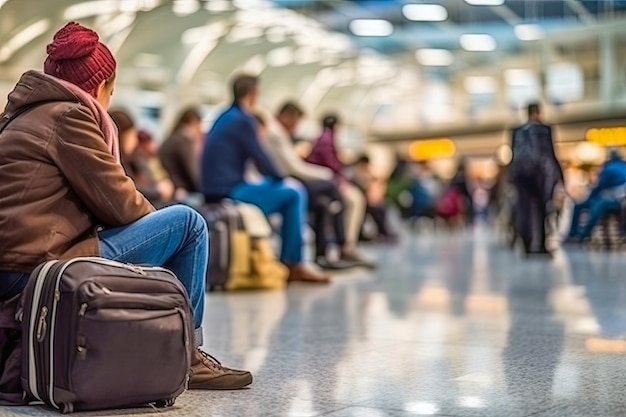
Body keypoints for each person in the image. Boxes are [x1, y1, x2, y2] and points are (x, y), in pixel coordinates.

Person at [0, 22, 252, 391]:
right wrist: (160, 236)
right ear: (100, 87)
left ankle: (159, 341)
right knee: (187, 224)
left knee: (171, 224)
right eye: (111, 92)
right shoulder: (70, 116)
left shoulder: (20, 117)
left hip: (14, 266)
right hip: (40, 264)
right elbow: (121, 204)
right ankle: (187, 355)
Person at [200, 75, 330, 283]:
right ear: (252, 94)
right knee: (294, 192)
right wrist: (280, 177)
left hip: (215, 189)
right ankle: (293, 262)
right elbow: (262, 158)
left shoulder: (223, 116)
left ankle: (290, 259)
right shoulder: (243, 120)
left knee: (286, 190)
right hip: (230, 191)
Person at [264, 102, 366, 269]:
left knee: (323, 204)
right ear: (287, 116)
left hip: (289, 179)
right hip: (284, 180)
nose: (296, 127)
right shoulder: (276, 133)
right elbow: (294, 167)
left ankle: (323, 254)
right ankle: (340, 246)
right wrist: (328, 176)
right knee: (328, 191)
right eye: (296, 121)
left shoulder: (283, 133)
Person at [305, 114, 375, 268]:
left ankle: (347, 244)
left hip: (326, 182)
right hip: (324, 185)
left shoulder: (323, 139)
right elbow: (332, 166)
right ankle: (346, 246)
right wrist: (343, 181)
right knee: (354, 200)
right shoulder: (325, 140)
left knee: (354, 198)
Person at [509, 103, 563, 255]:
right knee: (542, 207)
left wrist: (510, 177)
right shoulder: (544, 130)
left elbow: (512, 155)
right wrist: (560, 176)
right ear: (538, 112)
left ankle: (526, 244)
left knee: (523, 208)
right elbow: (551, 153)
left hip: (520, 174)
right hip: (540, 173)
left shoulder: (517, 131)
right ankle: (541, 244)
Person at [109, 109, 174, 207]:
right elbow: (132, 190)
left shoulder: (133, 158)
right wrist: (158, 191)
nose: (135, 141)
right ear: (121, 136)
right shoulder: (118, 162)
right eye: (131, 135)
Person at [566, 149, 626, 243]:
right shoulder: (623, 166)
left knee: (591, 207)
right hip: (621, 201)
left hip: (613, 201)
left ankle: (579, 234)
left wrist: (590, 199)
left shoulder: (608, 168)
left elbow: (598, 187)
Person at [159, 107, 203, 202]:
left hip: (171, 188)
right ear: (194, 123)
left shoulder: (173, 138)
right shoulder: (183, 141)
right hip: (178, 191)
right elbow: (193, 173)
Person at [350, 154, 397, 242]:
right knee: (378, 209)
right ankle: (382, 232)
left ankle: (383, 231)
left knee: (383, 206)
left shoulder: (367, 173)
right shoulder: (355, 174)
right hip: (362, 201)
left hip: (367, 200)